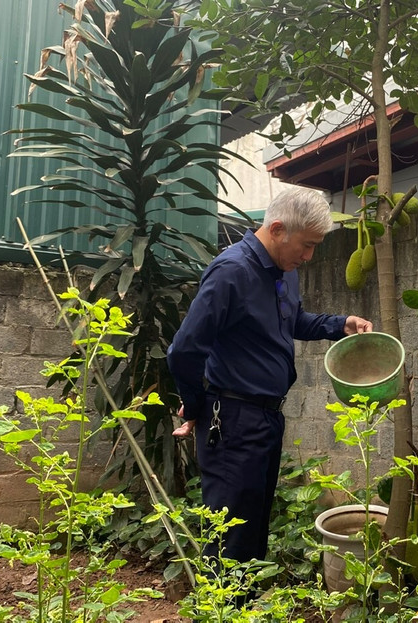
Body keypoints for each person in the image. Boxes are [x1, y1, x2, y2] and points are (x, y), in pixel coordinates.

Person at [167, 187, 373, 569]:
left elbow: (292, 320)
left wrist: (338, 324)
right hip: (231, 420)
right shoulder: (232, 272)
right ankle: (222, 612)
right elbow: (184, 350)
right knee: (230, 535)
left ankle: (242, 609)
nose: (309, 256)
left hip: (266, 419)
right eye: (307, 245)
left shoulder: (282, 271)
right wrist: (195, 406)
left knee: (253, 530)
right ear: (277, 229)